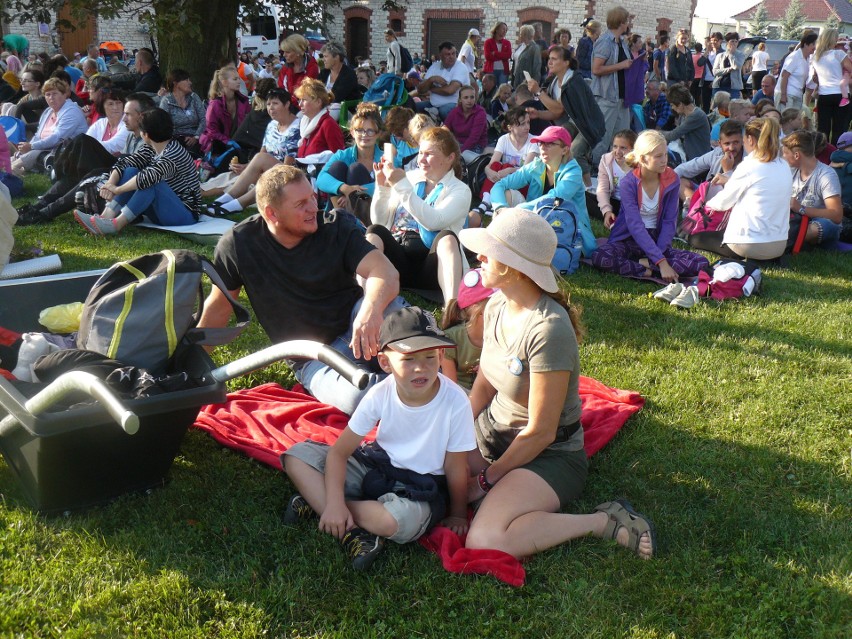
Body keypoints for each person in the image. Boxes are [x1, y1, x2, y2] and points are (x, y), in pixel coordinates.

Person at [457, 208, 656, 561]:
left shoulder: (548, 328)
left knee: (486, 540)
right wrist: (455, 425)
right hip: (491, 436)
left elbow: (541, 433)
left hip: (547, 456)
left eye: (490, 250)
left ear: (514, 265)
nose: (479, 257)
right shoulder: (497, 305)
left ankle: (602, 520)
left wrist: (486, 480)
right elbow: (486, 383)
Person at [198, 164, 403, 415]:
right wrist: (193, 365)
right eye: (301, 204)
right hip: (310, 358)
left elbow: (386, 273)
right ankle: (413, 392)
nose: (313, 208)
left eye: (313, 197)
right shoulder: (238, 245)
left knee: (396, 312)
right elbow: (219, 308)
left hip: (357, 326)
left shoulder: (334, 226)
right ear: (272, 214)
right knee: (360, 400)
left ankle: (418, 384)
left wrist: (371, 310)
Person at [282, 305, 475, 571]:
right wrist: (335, 503)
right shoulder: (380, 393)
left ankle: (320, 505)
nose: (421, 369)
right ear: (385, 363)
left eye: (430, 357)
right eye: (408, 360)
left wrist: (457, 513)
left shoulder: (456, 401)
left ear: (441, 355)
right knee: (297, 457)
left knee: (395, 522)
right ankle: (341, 514)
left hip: (422, 489)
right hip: (378, 465)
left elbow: (455, 466)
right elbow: (339, 452)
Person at [15, 93, 156, 226]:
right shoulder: (127, 132)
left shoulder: (150, 139)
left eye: (128, 114)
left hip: (127, 187)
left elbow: (129, 166)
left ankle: (45, 211)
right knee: (81, 163)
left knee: (85, 151)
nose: (122, 115)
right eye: (110, 104)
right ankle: (39, 208)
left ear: (142, 116)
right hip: (116, 174)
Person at [367, 126, 471, 306]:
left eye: (429, 154)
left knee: (447, 239)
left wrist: (402, 186)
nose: (421, 159)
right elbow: (380, 221)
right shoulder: (410, 177)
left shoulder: (460, 190)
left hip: (431, 265)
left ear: (450, 158)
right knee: (373, 232)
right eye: (420, 152)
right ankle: (363, 299)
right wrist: (382, 188)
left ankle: (453, 309)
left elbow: (434, 221)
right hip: (398, 258)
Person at [591, 130, 709, 289]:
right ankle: (648, 270)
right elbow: (635, 225)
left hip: (658, 240)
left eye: (665, 155)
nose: (664, 160)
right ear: (642, 159)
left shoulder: (672, 179)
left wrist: (657, 257)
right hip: (629, 239)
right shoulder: (628, 183)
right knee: (600, 256)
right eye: (658, 156)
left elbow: (669, 221)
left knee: (702, 262)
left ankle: (643, 265)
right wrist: (661, 262)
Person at [73, 107, 202, 235]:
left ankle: (116, 225)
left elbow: (148, 177)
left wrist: (118, 190)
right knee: (131, 170)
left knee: (152, 183)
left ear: (146, 134)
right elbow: (125, 162)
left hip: (185, 215)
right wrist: (110, 184)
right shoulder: (151, 147)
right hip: (162, 210)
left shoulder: (174, 153)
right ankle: (105, 217)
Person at [491, 126, 597, 258]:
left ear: (565, 149)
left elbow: (554, 199)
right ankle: (495, 242)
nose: (542, 147)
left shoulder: (574, 172)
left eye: (550, 144)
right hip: (536, 217)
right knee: (507, 194)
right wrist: (501, 208)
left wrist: (516, 211)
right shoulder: (536, 165)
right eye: (541, 143)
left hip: (563, 224)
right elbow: (500, 185)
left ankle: (503, 244)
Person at [703, 117, 792, 260]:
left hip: (748, 244)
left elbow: (723, 203)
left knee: (696, 238)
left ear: (750, 139)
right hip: (779, 244)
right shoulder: (784, 165)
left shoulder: (750, 165)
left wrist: (704, 205)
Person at [207, 87, 300, 216]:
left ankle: (237, 203)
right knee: (259, 158)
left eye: (275, 103)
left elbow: (288, 164)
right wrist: (247, 167)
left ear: (287, 104)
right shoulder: (272, 125)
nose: (271, 108)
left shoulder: (296, 127)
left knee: (262, 159)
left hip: (287, 171)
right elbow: (263, 150)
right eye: (268, 104)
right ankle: (228, 197)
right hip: (269, 167)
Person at [316, 102, 387, 221]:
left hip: (371, 213)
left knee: (356, 169)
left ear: (378, 133)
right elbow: (321, 179)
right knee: (337, 167)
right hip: (339, 208)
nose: (365, 135)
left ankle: (354, 224)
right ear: (352, 132)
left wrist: (353, 194)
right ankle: (340, 221)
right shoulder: (342, 155)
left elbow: (390, 185)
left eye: (370, 131)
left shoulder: (385, 157)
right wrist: (344, 188)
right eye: (360, 130)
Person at [470, 106, 539, 223]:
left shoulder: (533, 141)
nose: (527, 127)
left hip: (522, 183)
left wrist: (509, 170)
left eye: (528, 122)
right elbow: (492, 164)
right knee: (496, 165)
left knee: (507, 166)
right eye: (522, 124)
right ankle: (486, 202)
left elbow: (526, 171)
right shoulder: (504, 139)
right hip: (504, 181)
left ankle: (489, 203)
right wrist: (489, 170)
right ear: (510, 127)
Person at [11, 77, 87, 176]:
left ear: (65, 95)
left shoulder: (72, 111)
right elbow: (38, 135)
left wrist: (32, 146)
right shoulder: (48, 111)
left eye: (55, 93)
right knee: (14, 158)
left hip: (67, 151)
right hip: (46, 148)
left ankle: (14, 172)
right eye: (48, 94)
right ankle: (15, 169)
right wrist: (28, 147)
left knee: (16, 164)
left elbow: (57, 138)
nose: (51, 97)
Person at [781, 130, 844, 249]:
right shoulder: (790, 171)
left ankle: (785, 243)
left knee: (817, 228)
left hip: (822, 221)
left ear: (796, 155)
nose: (783, 157)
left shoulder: (826, 175)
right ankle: (793, 240)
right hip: (796, 220)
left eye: (785, 153)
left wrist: (801, 208)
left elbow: (836, 215)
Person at [440, 268, 496, 390]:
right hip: (460, 393)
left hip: (491, 391)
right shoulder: (450, 339)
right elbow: (451, 389)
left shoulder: (504, 335)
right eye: (499, 305)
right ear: (477, 310)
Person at [591, 6, 633, 166]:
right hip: (606, 98)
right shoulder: (605, 42)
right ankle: (595, 170)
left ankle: (617, 170)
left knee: (622, 139)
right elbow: (596, 69)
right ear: (621, 22)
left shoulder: (621, 42)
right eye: (627, 20)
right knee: (603, 139)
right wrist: (621, 65)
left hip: (621, 99)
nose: (628, 23)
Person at [675, 119, 744, 204]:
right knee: (679, 182)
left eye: (736, 142)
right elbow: (688, 167)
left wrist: (728, 171)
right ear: (720, 144)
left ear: (742, 141)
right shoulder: (716, 154)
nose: (731, 148)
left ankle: (701, 213)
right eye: (727, 144)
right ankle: (699, 211)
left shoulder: (750, 159)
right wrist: (668, 177)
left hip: (733, 203)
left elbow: (741, 191)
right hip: (710, 197)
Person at [810, 29, 852, 145]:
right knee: (840, 128)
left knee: (823, 128)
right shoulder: (839, 54)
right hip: (840, 94)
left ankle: (823, 152)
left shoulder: (815, 57)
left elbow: (815, 77)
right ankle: (837, 153)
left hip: (824, 94)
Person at [200, 66, 250, 155]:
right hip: (217, 147)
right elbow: (211, 130)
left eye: (239, 79)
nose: (239, 81)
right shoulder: (215, 104)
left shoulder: (243, 101)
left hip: (239, 144)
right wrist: (227, 141)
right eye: (235, 79)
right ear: (224, 82)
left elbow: (248, 124)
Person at [414, 41, 470, 121]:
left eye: (453, 53)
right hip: (434, 104)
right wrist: (431, 79)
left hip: (455, 103)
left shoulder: (461, 67)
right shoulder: (434, 66)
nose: (452, 57)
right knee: (414, 106)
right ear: (440, 56)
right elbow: (420, 89)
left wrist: (431, 88)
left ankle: (450, 131)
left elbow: (450, 90)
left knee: (443, 111)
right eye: (448, 54)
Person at [158, 68, 206, 156]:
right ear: (175, 83)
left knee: (193, 153)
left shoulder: (194, 97)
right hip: (174, 140)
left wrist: (196, 136)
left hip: (194, 138)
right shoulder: (167, 101)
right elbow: (163, 125)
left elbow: (203, 119)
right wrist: (176, 138)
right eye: (186, 80)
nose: (190, 82)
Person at [293, 78, 345, 158]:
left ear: (318, 102)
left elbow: (339, 157)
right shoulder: (305, 122)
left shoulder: (328, 124)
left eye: (304, 100)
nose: (300, 104)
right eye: (299, 100)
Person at [597, 128, 637, 228]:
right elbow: (603, 188)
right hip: (613, 201)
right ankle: (610, 216)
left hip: (631, 204)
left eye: (623, 148)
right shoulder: (606, 160)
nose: (617, 151)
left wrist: (627, 167)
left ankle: (623, 221)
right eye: (615, 146)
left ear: (633, 150)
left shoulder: (638, 164)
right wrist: (607, 211)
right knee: (585, 197)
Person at [661, 84, 711, 161]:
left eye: (672, 105)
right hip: (691, 159)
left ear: (680, 104)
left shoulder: (696, 116)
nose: (672, 108)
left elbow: (673, 135)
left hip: (700, 162)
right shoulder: (684, 115)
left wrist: (654, 133)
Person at [442, 85, 488, 163]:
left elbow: (474, 138)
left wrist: (459, 152)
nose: (469, 100)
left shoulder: (480, 112)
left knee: (460, 160)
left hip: (476, 145)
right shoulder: (454, 112)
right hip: (458, 143)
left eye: (472, 97)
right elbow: (445, 129)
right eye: (466, 97)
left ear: (475, 98)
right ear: (460, 99)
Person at [777, 33, 818, 113]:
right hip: (787, 95)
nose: (815, 47)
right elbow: (784, 76)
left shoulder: (807, 58)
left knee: (795, 121)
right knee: (786, 121)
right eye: (813, 44)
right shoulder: (795, 56)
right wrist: (783, 95)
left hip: (797, 95)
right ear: (806, 44)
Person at [278, 34, 319, 103]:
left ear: (298, 52)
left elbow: (304, 93)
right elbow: (281, 88)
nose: (284, 55)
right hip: (288, 105)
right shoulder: (285, 67)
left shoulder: (312, 67)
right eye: (283, 52)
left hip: (305, 106)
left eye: (287, 52)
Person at [712, 33, 744, 99]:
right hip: (719, 86)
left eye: (736, 41)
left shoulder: (741, 55)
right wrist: (728, 69)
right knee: (718, 107)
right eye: (732, 41)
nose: (734, 43)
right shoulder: (720, 55)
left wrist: (731, 54)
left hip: (733, 87)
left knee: (732, 107)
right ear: (727, 42)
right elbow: (715, 72)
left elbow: (736, 66)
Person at [699, 32, 723, 112]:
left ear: (720, 41)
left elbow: (723, 69)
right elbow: (700, 63)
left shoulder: (722, 53)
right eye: (712, 40)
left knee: (715, 106)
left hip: (717, 81)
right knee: (705, 105)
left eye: (716, 40)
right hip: (705, 80)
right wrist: (707, 51)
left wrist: (715, 80)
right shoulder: (708, 52)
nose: (713, 42)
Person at [512, 25, 541, 89]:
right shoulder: (520, 46)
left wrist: (535, 81)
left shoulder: (534, 48)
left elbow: (537, 65)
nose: (520, 35)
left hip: (525, 79)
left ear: (526, 35)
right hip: (516, 76)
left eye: (521, 33)